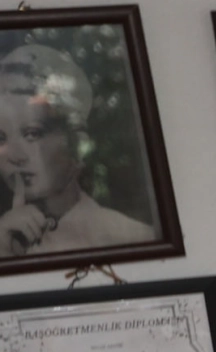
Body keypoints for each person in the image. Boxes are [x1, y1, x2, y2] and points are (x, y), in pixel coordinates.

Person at [0, 45, 155, 256]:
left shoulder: (132, 238)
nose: (15, 156)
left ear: (77, 142)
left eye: (33, 134)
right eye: (1, 138)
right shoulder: (4, 237)